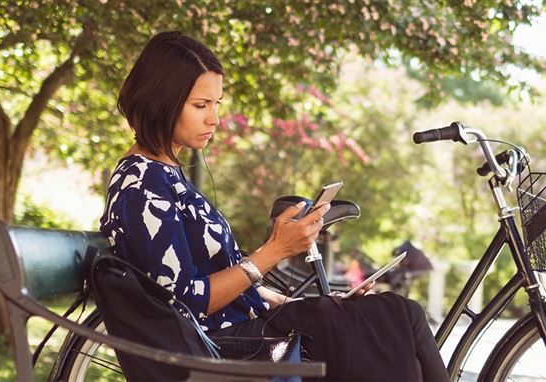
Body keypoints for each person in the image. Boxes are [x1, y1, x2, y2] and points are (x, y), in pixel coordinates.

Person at [98, 31, 447, 381]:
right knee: (397, 317)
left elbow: (216, 278)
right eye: (201, 105)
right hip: (221, 349)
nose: (215, 119)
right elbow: (186, 300)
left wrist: (290, 302)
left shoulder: (162, 174)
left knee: (388, 316)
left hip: (242, 331)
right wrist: (275, 250)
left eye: (217, 104)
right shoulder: (142, 184)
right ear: (162, 101)